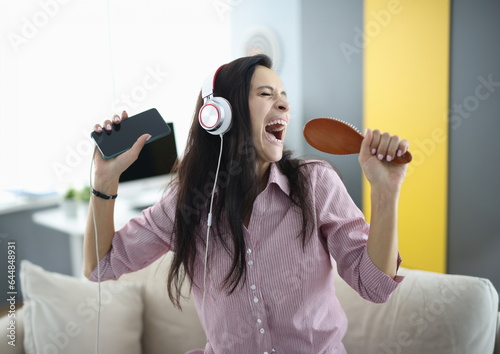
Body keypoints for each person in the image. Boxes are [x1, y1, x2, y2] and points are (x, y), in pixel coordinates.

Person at [84, 54, 409, 354]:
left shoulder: (315, 183)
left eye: (284, 97)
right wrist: (104, 180)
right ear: (218, 115)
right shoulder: (187, 201)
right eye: (267, 94)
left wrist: (385, 191)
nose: (283, 105)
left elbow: (375, 285)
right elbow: (101, 266)